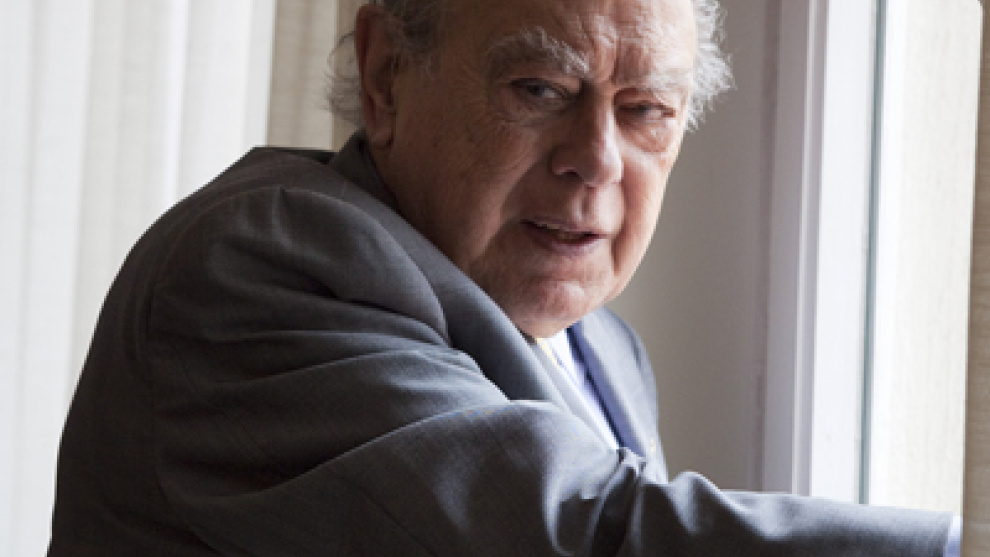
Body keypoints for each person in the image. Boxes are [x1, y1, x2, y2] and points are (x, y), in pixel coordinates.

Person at [47, 0, 957, 555]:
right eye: (539, 89)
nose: (597, 159)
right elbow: (585, 536)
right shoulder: (257, 266)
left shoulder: (604, 348)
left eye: (646, 109)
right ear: (386, 75)